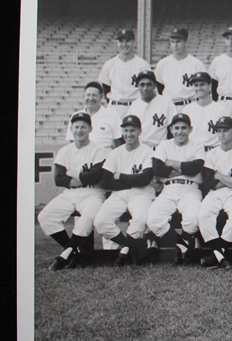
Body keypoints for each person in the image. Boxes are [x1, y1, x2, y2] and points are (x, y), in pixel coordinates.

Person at [40, 112, 107, 270]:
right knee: (45, 217)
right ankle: (76, 252)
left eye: (83, 126)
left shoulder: (99, 150)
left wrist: (71, 173)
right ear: (71, 129)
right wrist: (84, 177)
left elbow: (95, 177)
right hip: (70, 193)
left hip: (93, 192)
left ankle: (66, 254)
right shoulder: (65, 151)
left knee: (88, 217)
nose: (79, 130)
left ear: (90, 128)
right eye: (76, 127)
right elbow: (58, 179)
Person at [93, 115, 156, 266]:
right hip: (119, 194)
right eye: (126, 130)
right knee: (101, 222)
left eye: (132, 130)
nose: (129, 134)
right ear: (122, 132)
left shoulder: (148, 151)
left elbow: (145, 179)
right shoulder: (115, 153)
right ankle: (132, 246)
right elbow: (105, 181)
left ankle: (124, 252)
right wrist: (132, 181)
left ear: (140, 131)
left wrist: (119, 176)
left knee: (140, 220)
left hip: (142, 193)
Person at [145, 113, 205, 264]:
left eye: (184, 128)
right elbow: (157, 169)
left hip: (190, 189)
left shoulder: (197, 144)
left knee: (192, 220)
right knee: (153, 220)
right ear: (171, 129)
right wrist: (186, 168)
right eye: (176, 128)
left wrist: (171, 163)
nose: (180, 131)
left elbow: (197, 167)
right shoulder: (164, 145)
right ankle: (182, 245)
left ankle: (183, 247)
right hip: (169, 189)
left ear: (190, 129)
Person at [197, 116, 232, 270]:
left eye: (225, 130)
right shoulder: (211, 154)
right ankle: (221, 256)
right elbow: (208, 183)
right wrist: (230, 179)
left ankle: (215, 255)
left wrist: (219, 175)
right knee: (204, 215)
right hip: (215, 194)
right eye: (219, 131)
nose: (222, 134)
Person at [98, 28, 151, 117]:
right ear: (117, 43)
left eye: (128, 41)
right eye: (121, 41)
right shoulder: (110, 64)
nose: (124, 44)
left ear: (133, 42)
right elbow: (105, 88)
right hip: (115, 107)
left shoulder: (143, 65)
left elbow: (150, 87)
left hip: (136, 106)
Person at [154, 27, 206, 107]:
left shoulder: (196, 64)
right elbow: (159, 88)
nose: (175, 45)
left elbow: (204, 88)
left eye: (178, 42)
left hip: (189, 104)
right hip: (169, 105)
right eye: (172, 42)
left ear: (185, 42)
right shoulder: (162, 63)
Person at [64, 81, 123, 149]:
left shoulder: (112, 115)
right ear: (84, 96)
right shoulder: (76, 116)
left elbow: (119, 143)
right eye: (88, 95)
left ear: (101, 97)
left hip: (104, 156)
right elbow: (72, 142)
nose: (91, 98)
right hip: (83, 156)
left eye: (94, 95)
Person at [126, 70, 176, 149]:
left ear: (155, 86)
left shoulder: (166, 102)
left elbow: (172, 130)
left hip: (159, 149)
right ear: (138, 86)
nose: (145, 88)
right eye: (142, 85)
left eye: (148, 85)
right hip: (140, 149)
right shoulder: (134, 105)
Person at [182, 71, 227, 151]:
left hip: (214, 152)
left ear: (209, 86)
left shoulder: (221, 110)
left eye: (202, 84)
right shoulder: (187, 110)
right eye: (196, 85)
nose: (199, 88)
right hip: (193, 152)